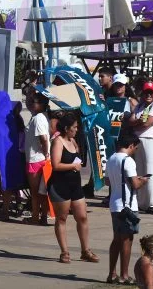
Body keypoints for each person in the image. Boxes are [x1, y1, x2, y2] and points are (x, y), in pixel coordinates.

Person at [47, 113, 97, 264]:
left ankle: (85, 250)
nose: (76, 130)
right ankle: (64, 252)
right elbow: (55, 165)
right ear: (67, 128)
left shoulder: (73, 141)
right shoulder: (58, 142)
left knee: (82, 217)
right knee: (62, 218)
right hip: (60, 185)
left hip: (75, 185)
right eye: (74, 127)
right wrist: (73, 165)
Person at [106, 134, 146, 285]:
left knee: (116, 239)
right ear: (130, 145)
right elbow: (135, 185)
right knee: (127, 240)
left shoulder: (111, 159)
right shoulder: (128, 161)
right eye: (135, 148)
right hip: (127, 206)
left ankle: (112, 274)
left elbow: (107, 181)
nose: (135, 151)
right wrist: (143, 181)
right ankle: (124, 275)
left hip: (114, 204)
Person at [125, 82, 153, 213]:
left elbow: (148, 123)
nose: (148, 95)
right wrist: (138, 122)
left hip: (152, 140)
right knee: (140, 171)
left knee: (152, 171)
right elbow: (131, 122)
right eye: (146, 92)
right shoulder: (139, 106)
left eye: (151, 92)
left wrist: (137, 122)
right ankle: (142, 202)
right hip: (138, 141)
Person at [24, 90, 51, 225]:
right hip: (38, 158)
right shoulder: (40, 116)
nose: (31, 104)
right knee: (41, 192)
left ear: (41, 104)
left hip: (36, 159)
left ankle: (36, 216)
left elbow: (44, 138)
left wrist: (46, 154)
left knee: (35, 192)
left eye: (34, 102)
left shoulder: (39, 118)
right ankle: (42, 217)